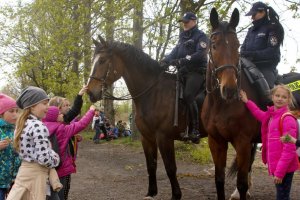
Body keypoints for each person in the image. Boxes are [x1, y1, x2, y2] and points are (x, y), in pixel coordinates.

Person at [240, 84, 298, 200]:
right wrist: (247, 101)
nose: (280, 99)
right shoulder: (272, 116)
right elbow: (259, 113)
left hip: (284, 168)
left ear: (289, 100)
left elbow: (289, 149)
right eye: (277, 95)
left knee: (282, 196)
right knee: (282, 195)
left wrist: (280, 172)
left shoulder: (287, 119)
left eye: (284, 97)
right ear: (272, 97)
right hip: (277, 166)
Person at [160, 12, 208, 143]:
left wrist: (182, 61)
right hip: (183, 72)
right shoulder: (182, 38)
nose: (184, 24)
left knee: (188, 95)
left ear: (194, 21)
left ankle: (196, 130)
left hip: (197, 72)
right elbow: (174, 52)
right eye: (183, 22)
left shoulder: (201, 36)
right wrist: (165, 61)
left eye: (186, 21)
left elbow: (200, 53)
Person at [6, 86, 61, 200]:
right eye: (44, 103)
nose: (48, 107)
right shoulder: (38, 126)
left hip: (24, 173)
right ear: (32, 106)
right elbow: (44, 159)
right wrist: (56, 158)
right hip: (36, 176)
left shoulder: (21, 124)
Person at [43, 105, 95, 200]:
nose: (62, 114)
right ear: (53, 116)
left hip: (44, 170)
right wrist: (91, 111)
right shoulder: (61, 129)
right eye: (59, 113)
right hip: (61, 170)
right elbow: (81, 124)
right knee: (61, 195)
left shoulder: (40, 128)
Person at [241, 2, 284, 104]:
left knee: (268, 95)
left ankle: (272, 113)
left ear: (262, 12)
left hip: (266, 67)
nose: (252, 18)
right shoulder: (250, 30)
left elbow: (272, 52)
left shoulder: (273, 27)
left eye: (253, 14)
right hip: (248, 66)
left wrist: (252, 55)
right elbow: (243, 49)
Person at [0, 94, 21, 200]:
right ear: (2, 113)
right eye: (11, 111)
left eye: (17, 111)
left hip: (13, 179)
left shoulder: (16, 130)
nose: (15, 114)